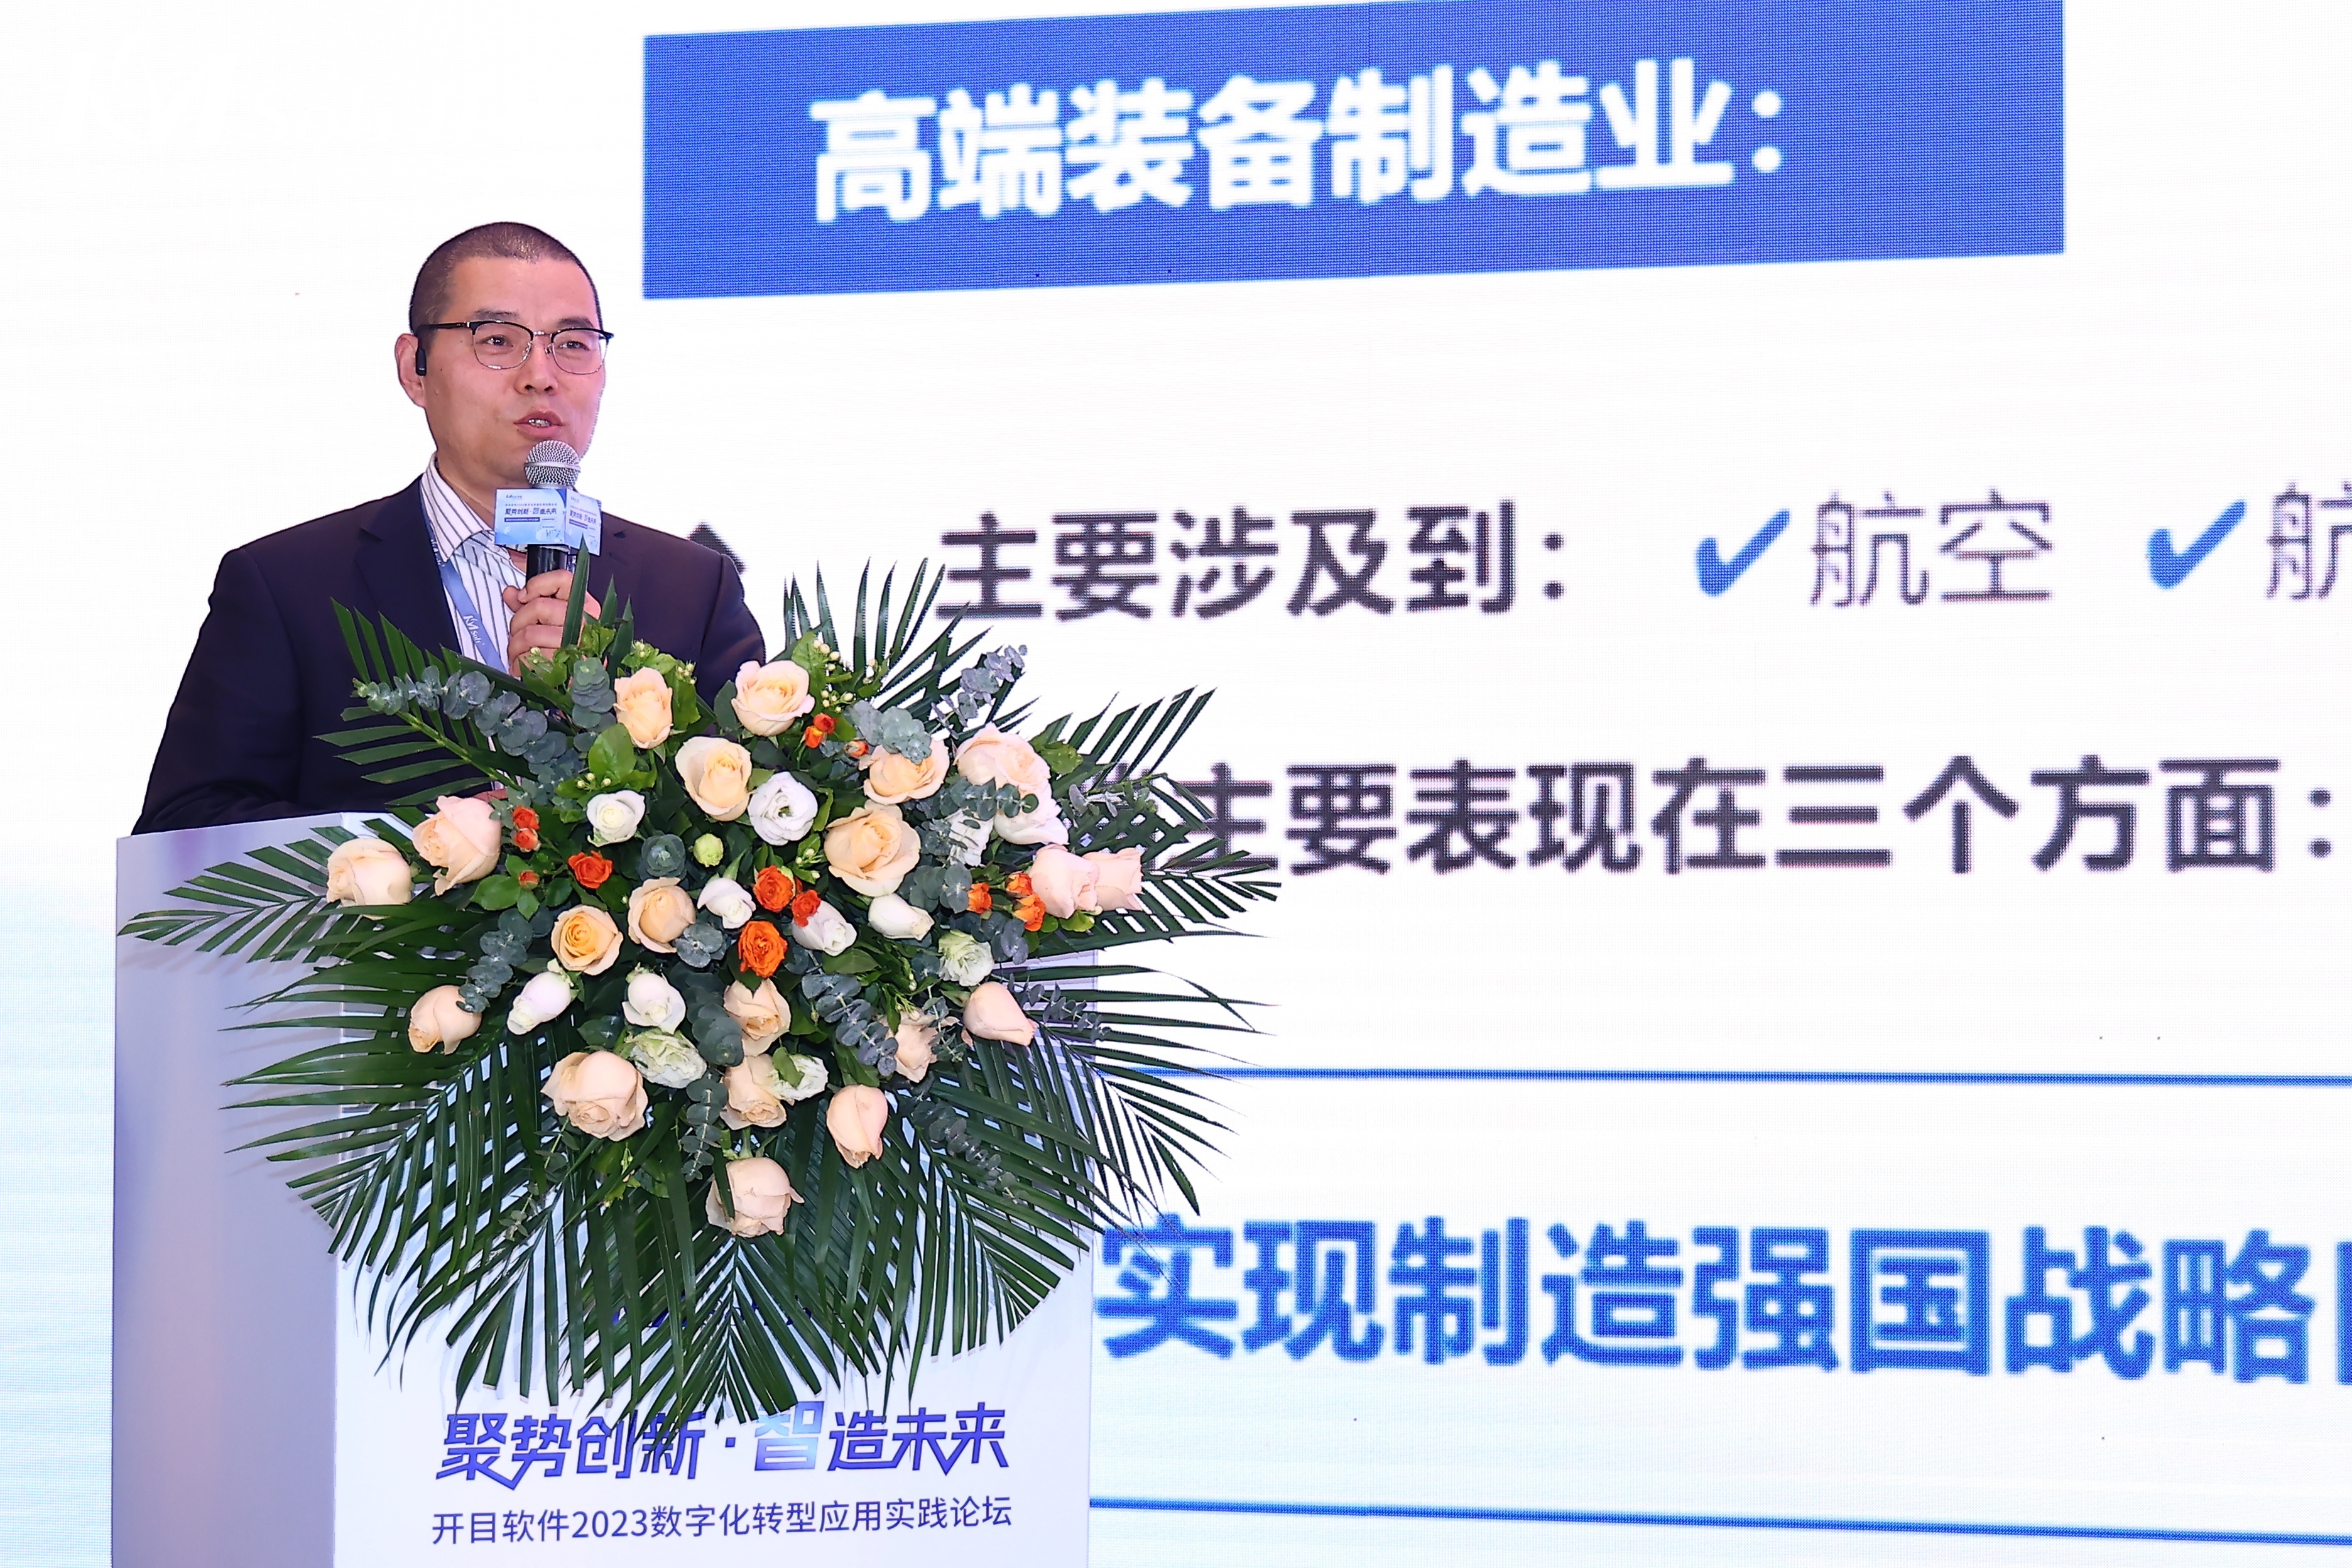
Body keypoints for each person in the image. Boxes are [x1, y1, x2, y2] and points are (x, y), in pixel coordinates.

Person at [136, 222, 766, 833]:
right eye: (497, 341)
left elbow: (763, 817)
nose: (541, 375)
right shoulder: (288, 586)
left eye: (573, 344)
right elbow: (183, 829)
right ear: (415, 368)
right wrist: (431, 846)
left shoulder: (693, 589)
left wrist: (605, 700)